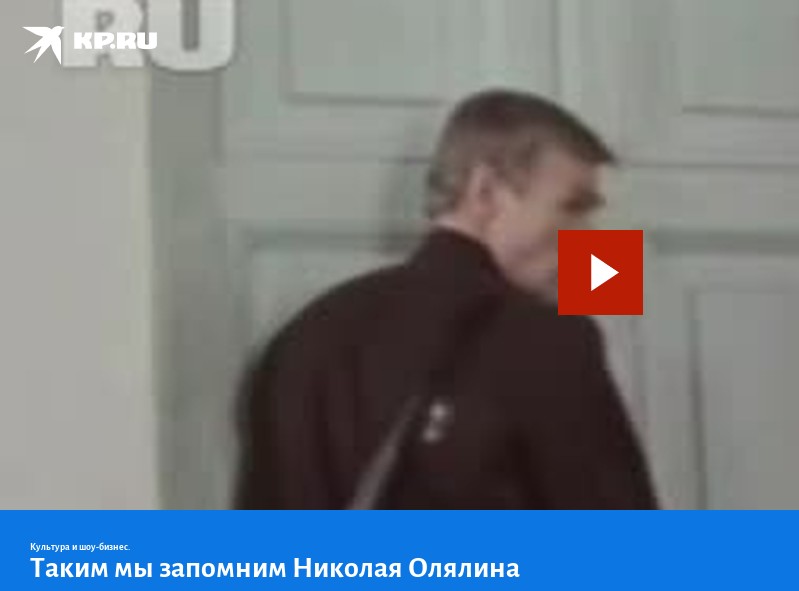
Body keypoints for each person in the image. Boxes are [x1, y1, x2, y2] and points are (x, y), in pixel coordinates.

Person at [234, 89, 658, 509]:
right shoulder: (549, 340)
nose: (591, 238)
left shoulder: (307, 335)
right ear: (485, 191)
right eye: (573, 208)